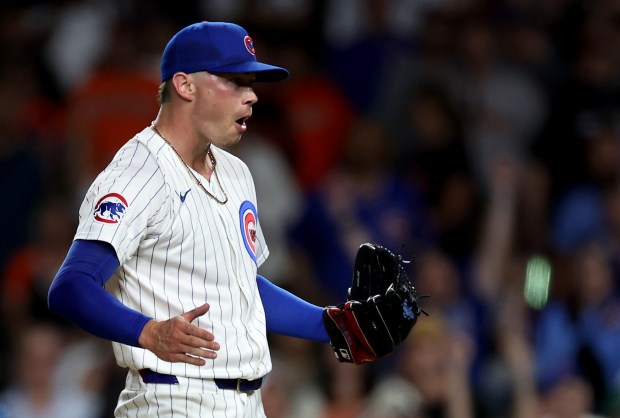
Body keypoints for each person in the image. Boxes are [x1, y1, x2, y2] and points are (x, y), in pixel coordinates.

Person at [47, 21, 334, 418]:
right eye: (235, 81)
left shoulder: (235, 172)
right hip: (172, 400)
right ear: (185, 85)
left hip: (249, 403)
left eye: (251, 83)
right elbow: (70, 286)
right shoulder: (138, 172)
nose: (251, 95)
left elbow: (241, 287)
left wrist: (332, 324)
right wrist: (146, 332)